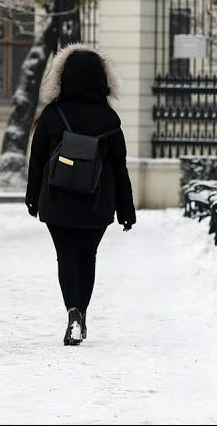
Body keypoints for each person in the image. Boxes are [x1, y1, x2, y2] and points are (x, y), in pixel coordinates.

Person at [26, 43, 136, 346]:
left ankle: (72, 313)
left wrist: (32, 197)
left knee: (66, 256)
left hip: (57, 198)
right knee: (87, 256)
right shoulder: (110, 121)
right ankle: (82, 315)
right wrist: (126, 209)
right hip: (98, 202)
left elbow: (37, 161)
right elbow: (119, 168)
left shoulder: (51, 115)